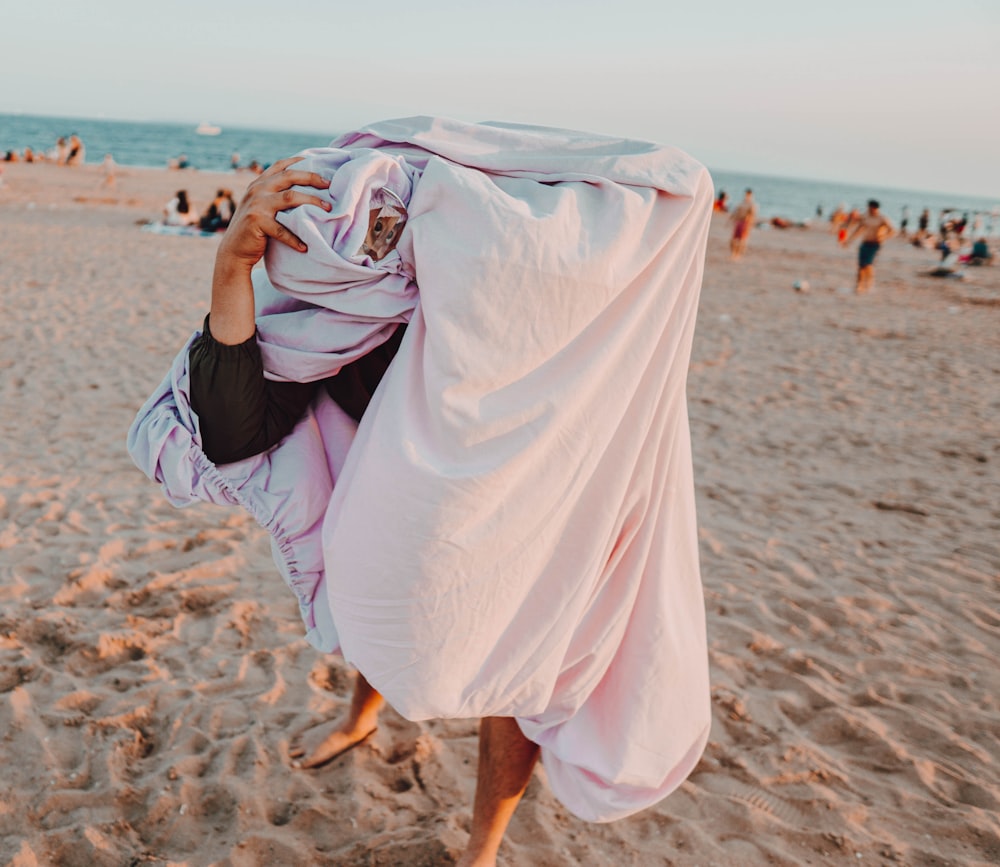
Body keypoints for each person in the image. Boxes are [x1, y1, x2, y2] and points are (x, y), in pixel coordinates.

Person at [129, 120, 712, 867]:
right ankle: (360, 717)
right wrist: (230, 269)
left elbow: (666, 189)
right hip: (394, 487)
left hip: (530, 471)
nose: (372, 246)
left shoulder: (493, 288)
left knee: (521, 657)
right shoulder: (331, 319)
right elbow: (235, 429)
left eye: (383, 231)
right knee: (378, 576)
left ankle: (482, 850)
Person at [842, 199, 895, 293]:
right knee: (861, 265)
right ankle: (859, 285)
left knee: (868, 264)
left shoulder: (882, 218)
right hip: (865, 242)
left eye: (870, 207)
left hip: (875, 244)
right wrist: (849, 241)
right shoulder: (865, 216)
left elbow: (892, 231)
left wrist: (883, 237)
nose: (868, 209)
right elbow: (858, 229)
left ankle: (869, 283)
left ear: (875, 208)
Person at [729, 187, 757, 259]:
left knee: (741, 240)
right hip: (738, 221)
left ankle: (738, 255)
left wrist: (749, 225)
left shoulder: (752, 204)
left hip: (745, 222)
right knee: (734, 240)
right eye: (746, 194)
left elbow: (752, 215)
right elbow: (736, 211)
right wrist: (731, 219)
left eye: (748, 194)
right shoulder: (742, 202)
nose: (746, 195)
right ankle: (733, 253)